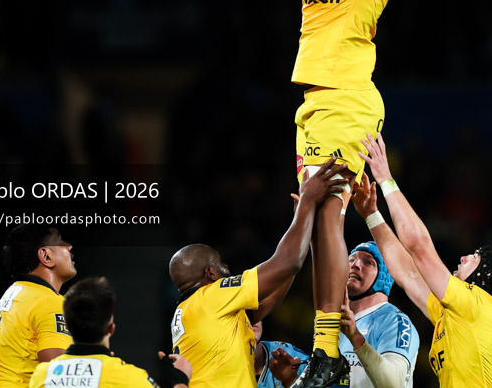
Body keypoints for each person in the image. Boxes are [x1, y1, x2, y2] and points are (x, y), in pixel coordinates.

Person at [250, 0, 422, 387]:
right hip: (313, 106)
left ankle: (326, 348)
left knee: (327, 211)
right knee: (325, 212)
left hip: (347, 101)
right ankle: (325, 350)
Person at [168, 159, 348, 387]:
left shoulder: (193, 312)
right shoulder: (211, 296)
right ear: (210, 274)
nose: (228, 269)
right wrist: (308, 201)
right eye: (221, 264)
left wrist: (304, 222)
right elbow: (288, 262)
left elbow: (272, 292)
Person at [355, 133, 492, 387]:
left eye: (473, 258)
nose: (463, 257)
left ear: (487, 275)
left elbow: (418, 246)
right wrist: (372, 214)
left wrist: (385, 179)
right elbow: (408, 274)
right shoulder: (453, 313)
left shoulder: (478, 306)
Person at [269, 241, 420, 388]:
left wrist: (355, 336)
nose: (355, 265)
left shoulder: (396, 320)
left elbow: (394, 384)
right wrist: (292, 381)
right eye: (351, 260)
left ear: (384, 277)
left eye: (368, 262)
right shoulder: (333, 322)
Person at [29, 276, 193, 387]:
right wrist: (180, 381)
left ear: (66, 325)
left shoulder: (41, 376)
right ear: (111, 328)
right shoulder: (132, 378)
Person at [0, 224, 76, 387]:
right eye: (61, 242)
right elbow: (60, 377)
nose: (69, 246)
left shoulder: (7, 303)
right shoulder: (48, 301)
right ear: (46, 256)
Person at [251, 320, 309, 388]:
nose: (249, 317)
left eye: (255, 309)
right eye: (237, 311)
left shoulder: (292, 357)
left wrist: (291, 381)